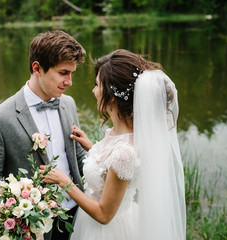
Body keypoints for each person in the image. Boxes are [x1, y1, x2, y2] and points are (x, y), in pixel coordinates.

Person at [40, 49, 186, 239]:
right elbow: (111, 172)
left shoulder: (124, 153)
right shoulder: (122, 135)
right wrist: (93, 148)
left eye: (97, 85)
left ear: (112, 95)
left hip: (106, 231)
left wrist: (65, 182)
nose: (93, 91)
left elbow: (104, 215)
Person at [0, 30, 87, 240]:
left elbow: (77, 155)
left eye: (72, 74)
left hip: (76, 213)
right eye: (64, 73)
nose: (70, 82)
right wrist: (13, 205)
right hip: (34, 226)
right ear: (37, 68)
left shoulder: (68, 104)